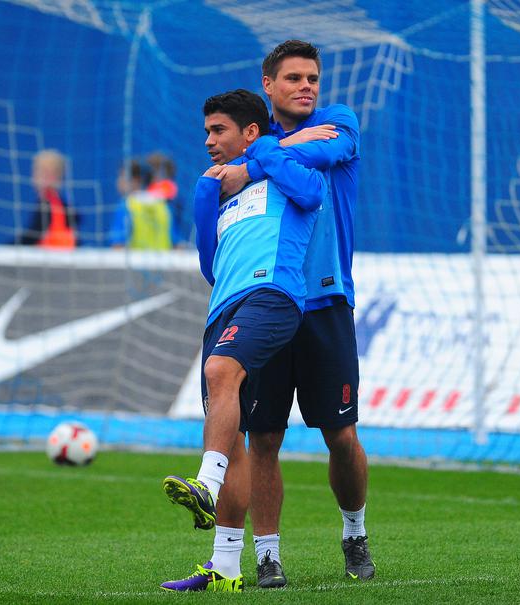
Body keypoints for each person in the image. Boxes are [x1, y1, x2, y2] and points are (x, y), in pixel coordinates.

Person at [213, 39, 373, 586]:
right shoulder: (256, 136)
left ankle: (354, 530)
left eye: (312, 78)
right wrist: (266, 154)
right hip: (268, 301)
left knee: (341, 435)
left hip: (326, 300)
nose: (306, 86)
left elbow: (324, 156)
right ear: (268, 85)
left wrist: (259, 159)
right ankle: (268, 554)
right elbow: (222, 181)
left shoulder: (336, 121)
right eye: (293, 78)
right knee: (264, 438)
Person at [160, 88, 326, 593]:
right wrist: (208, 196)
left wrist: (264, 157)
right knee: (230, 437)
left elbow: (313, 193)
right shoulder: (217, 186)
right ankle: (226, 568)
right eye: (206, 131)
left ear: (250, 131)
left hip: (271, 293)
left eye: (219, 130)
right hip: (223, 307)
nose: (209, 140)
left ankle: (204, 486)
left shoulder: (282, 165)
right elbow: (209, 262)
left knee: (218, 372)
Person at [108, 157, 179, 250]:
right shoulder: (163, 206)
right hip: (163, 263)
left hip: (133, 264)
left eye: (122, 177)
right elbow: (177, 245)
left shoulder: (126, 206)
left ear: (136, 180)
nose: (118, 182)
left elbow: (118, 246)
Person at [15, 149, 78, 249]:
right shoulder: (62, 205)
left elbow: (33, 235)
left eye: (45, 173)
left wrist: (7, 247)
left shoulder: (47, 205)